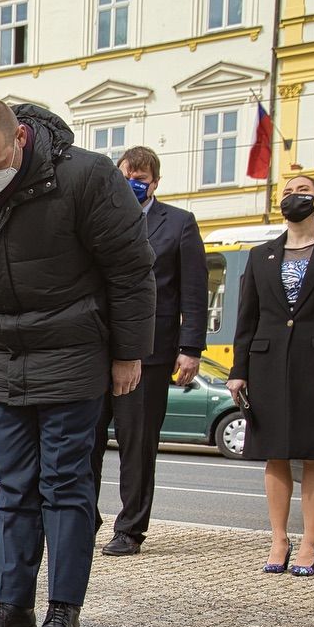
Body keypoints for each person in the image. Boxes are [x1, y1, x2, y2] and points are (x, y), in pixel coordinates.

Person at [0, 98, 155, 627]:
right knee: (14, 487)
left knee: (65, 484)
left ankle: (63, 609)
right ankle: (11, 605)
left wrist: (128, 353)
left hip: (73, 354)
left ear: (19, 140)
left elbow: (130, 270)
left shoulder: (86, 175)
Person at [228, 175, 314, 577]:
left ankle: (309, 542)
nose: (293, 197)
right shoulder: (261, 254)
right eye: (286, 192)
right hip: (267, 363)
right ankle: (279, 539)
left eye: (302, 191)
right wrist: (238, 370)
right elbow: (247, 317)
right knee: (275, 452)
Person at [92, 146, 209, 556]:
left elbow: (194, 291)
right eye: (126, 176)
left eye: (140, 178)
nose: (132, 183)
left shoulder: (179, 223)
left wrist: (190, 347)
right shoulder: (100, 218)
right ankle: (84, 517)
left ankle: (130, 528)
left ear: (155, 183)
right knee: (85, 441)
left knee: (137, 444)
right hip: (97, 349)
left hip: (151, 353)